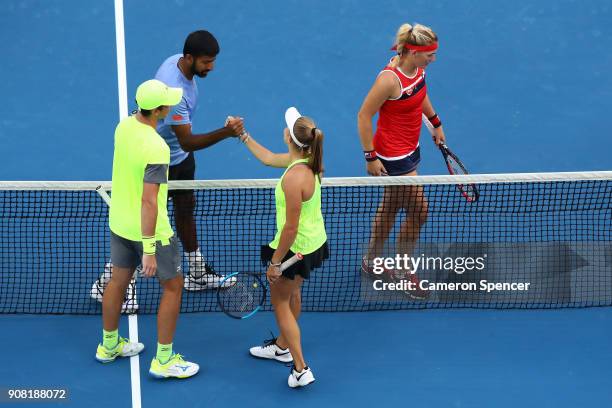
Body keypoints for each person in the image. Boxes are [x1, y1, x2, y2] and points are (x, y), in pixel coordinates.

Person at [90, 30, 242, 309]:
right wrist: (227, 132)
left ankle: (196, 272)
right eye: (207, 62)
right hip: (159, 161)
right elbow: (188, 139)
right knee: (144, 222)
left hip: (179, 157)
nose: (211, 67)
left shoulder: (176, 62)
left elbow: (183, 144)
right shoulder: (177, 92)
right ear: (189, 58)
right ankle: (107, 283)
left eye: (213, 61)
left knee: (186, 209)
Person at [95, 79, 198, 379]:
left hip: (119, 222)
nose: (172, 104)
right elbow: (150, 201)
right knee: (173, 288)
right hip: (151, 231)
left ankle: (109, 345)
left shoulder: (123, 126)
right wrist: (150, 249)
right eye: (168, 102)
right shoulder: (157, 146)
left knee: (118, 281)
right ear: (160, 111)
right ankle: (164, 360)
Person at [357, 23, 446, 300]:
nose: (433, 59)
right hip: (393, 156)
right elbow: (363, 116)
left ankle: (371, 261)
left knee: (391, 207)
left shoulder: (417, 70)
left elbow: (421, 94)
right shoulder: (389, 80)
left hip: (411, 147)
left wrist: (435, 122)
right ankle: (403, 271)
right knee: (420, 212)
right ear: (413, 52)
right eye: (429, 55)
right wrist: (370, 157)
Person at [241, 107, 328, 388]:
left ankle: (301, 368)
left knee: (280, 302)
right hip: (313, 244)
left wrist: (276, 262)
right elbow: (267, 158)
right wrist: (242, 135)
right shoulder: (309, 161)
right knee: (293, 293)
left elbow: (290, 229)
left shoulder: (293, 179)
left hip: (294, 248)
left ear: (289, 138)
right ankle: (281, 347)